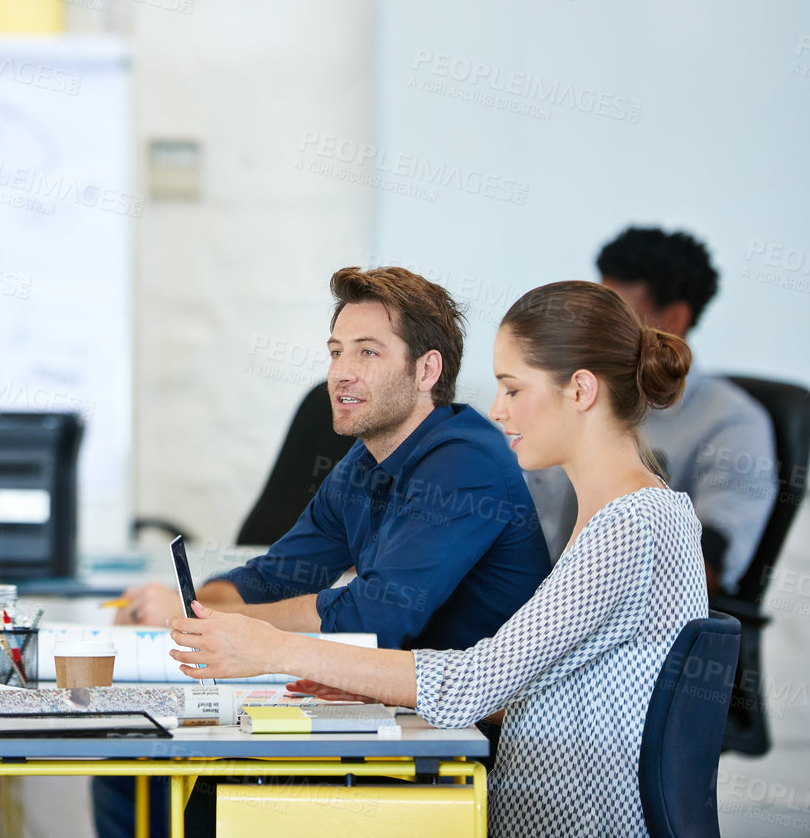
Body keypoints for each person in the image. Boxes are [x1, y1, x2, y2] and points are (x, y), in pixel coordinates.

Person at [171, 280, 704, 837]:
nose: (497, 411)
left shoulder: (633, 526)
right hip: (527, 809)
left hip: (566, 823)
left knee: (223, 803)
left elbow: (470, 683)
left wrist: (277, 648)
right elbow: (535, 690)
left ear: (581, 391)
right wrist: (362, 679)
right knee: (224, 791)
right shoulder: (611, 518)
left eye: (513, 390)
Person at [97, 267, 552, 838]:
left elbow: (375, 616)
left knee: (205, 799)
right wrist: (192, 617)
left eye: (367, 352)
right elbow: (272, 577)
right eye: (336, 352)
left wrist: (238, 632)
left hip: (471, 748)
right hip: (397, 719)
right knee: (130, 763)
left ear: (426, 370)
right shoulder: (363, 463)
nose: (340, 373)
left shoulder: (467, 463)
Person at [527, 227, 776, 595]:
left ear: (674, 320)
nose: (597, 328)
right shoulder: (576, 395)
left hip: (623, 628)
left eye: (617, 314)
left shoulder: (734, 423)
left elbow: (705, 566)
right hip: (529, 604)